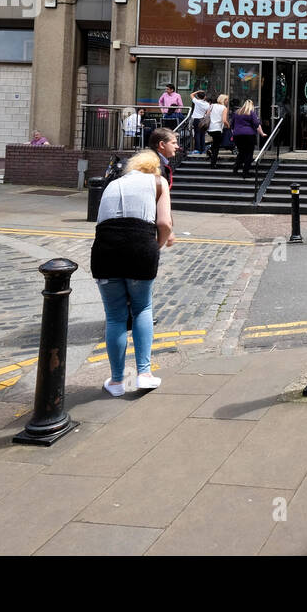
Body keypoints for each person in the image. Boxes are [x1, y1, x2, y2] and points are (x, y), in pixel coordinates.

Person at [90, 149, 175, 396]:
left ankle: (117, 382)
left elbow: (101, 221)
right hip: (140, 247)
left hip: (104, 249)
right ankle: (144, 374)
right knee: (142, 309)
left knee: (115, 317)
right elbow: (165, 224)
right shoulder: (158, 182)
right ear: (154, 168)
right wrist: (156, 246)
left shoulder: (113, 184)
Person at [231, 99, 267, 179]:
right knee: (249, 154)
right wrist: (261, 133)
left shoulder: (237, 113)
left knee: (241, 152)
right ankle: (245, 172)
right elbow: (256, 124)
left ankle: (235, 169)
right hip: (248, 135)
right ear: (252, 106)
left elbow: (232, 124)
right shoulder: (251, 112)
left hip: (237, 136)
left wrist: (235, 132)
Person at [208, 93, 230, 167]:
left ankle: (210, 149)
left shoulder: (212, 105)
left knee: (215, 143)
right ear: (224, 100)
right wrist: (228, 125)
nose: (227, 101)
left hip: (210, 128)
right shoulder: (224, 108)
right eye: (227, 100)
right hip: (217, 128)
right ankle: (213, 164)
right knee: (217, 147)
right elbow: (224, 120)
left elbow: (207, 115)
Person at [188, 90, 211, 155]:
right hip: (203, 120)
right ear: (205, 97)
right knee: (202, 135)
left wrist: (198, 91)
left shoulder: (197, 101)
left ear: (198, 96)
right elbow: (208, 113)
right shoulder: (207, 104)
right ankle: (203, 149)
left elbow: (191, 95)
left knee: (197, 134)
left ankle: (197, 149)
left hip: (197, 119)